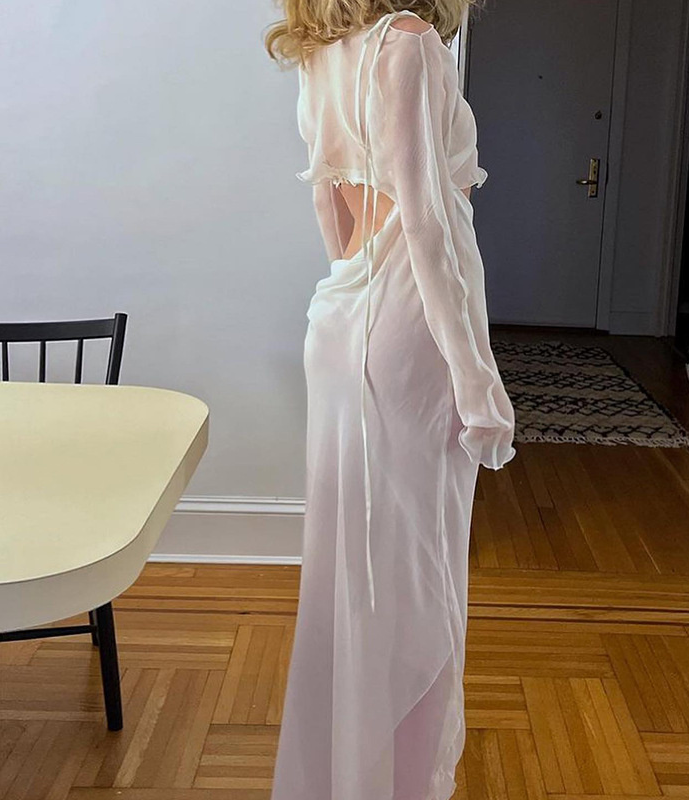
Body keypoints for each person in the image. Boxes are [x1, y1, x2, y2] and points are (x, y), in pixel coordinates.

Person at [265, 2, 515, 798]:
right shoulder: (408, 42)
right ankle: (404, 784)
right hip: (410, 326)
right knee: (418, 567)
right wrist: (479, 382)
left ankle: (349, 773)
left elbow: (329, 202)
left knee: (356, 567)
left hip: (343, 318)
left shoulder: (321, 50)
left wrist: (356, 287)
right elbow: (428, 225)